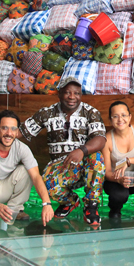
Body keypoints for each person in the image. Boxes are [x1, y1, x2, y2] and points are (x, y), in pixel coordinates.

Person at [19, 78, 107, 226]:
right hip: (62, 168)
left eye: (76, 93)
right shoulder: (47, 113)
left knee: (96, 157)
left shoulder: (91, 112)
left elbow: (100, 139)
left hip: (84, 166)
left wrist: (81, 150)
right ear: (59, 94)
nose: (72, 97)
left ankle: (91, 204)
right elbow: (21, 131)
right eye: (67, 93)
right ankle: (70, 201)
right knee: (45, 181)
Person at [0, 110, 54, 226]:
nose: (9, 133)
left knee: (26, 171)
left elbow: (36, 176)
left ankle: (15, 209)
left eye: (13, 129)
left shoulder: (22, 148)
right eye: (4, 128)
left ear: (17, 132)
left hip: (5, 188)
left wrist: (47, 204)